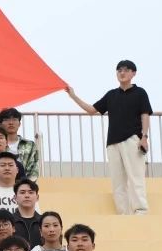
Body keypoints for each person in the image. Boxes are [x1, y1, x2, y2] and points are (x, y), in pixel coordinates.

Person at [66, 62, 153, 215]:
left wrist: (144, 137)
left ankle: (140, 211)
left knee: (135, 177)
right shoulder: (111, 95)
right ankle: (123, 213)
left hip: (133, 139)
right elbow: (91, 110)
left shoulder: (140, 93)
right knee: (117, 181)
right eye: (119, 70)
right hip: (112, 142)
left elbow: (145, 115)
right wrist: (73, 95)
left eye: (126, 70)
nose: (122, 73)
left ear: (133, 73)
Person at [0, 108, 40, 178]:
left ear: (19, 124)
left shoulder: (29, 145)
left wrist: (25, 184)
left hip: (24, 184)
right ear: (0, 125)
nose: (11, 123)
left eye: (14, 119)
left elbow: (34, 170)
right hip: (0, 183)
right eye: (6, 120)